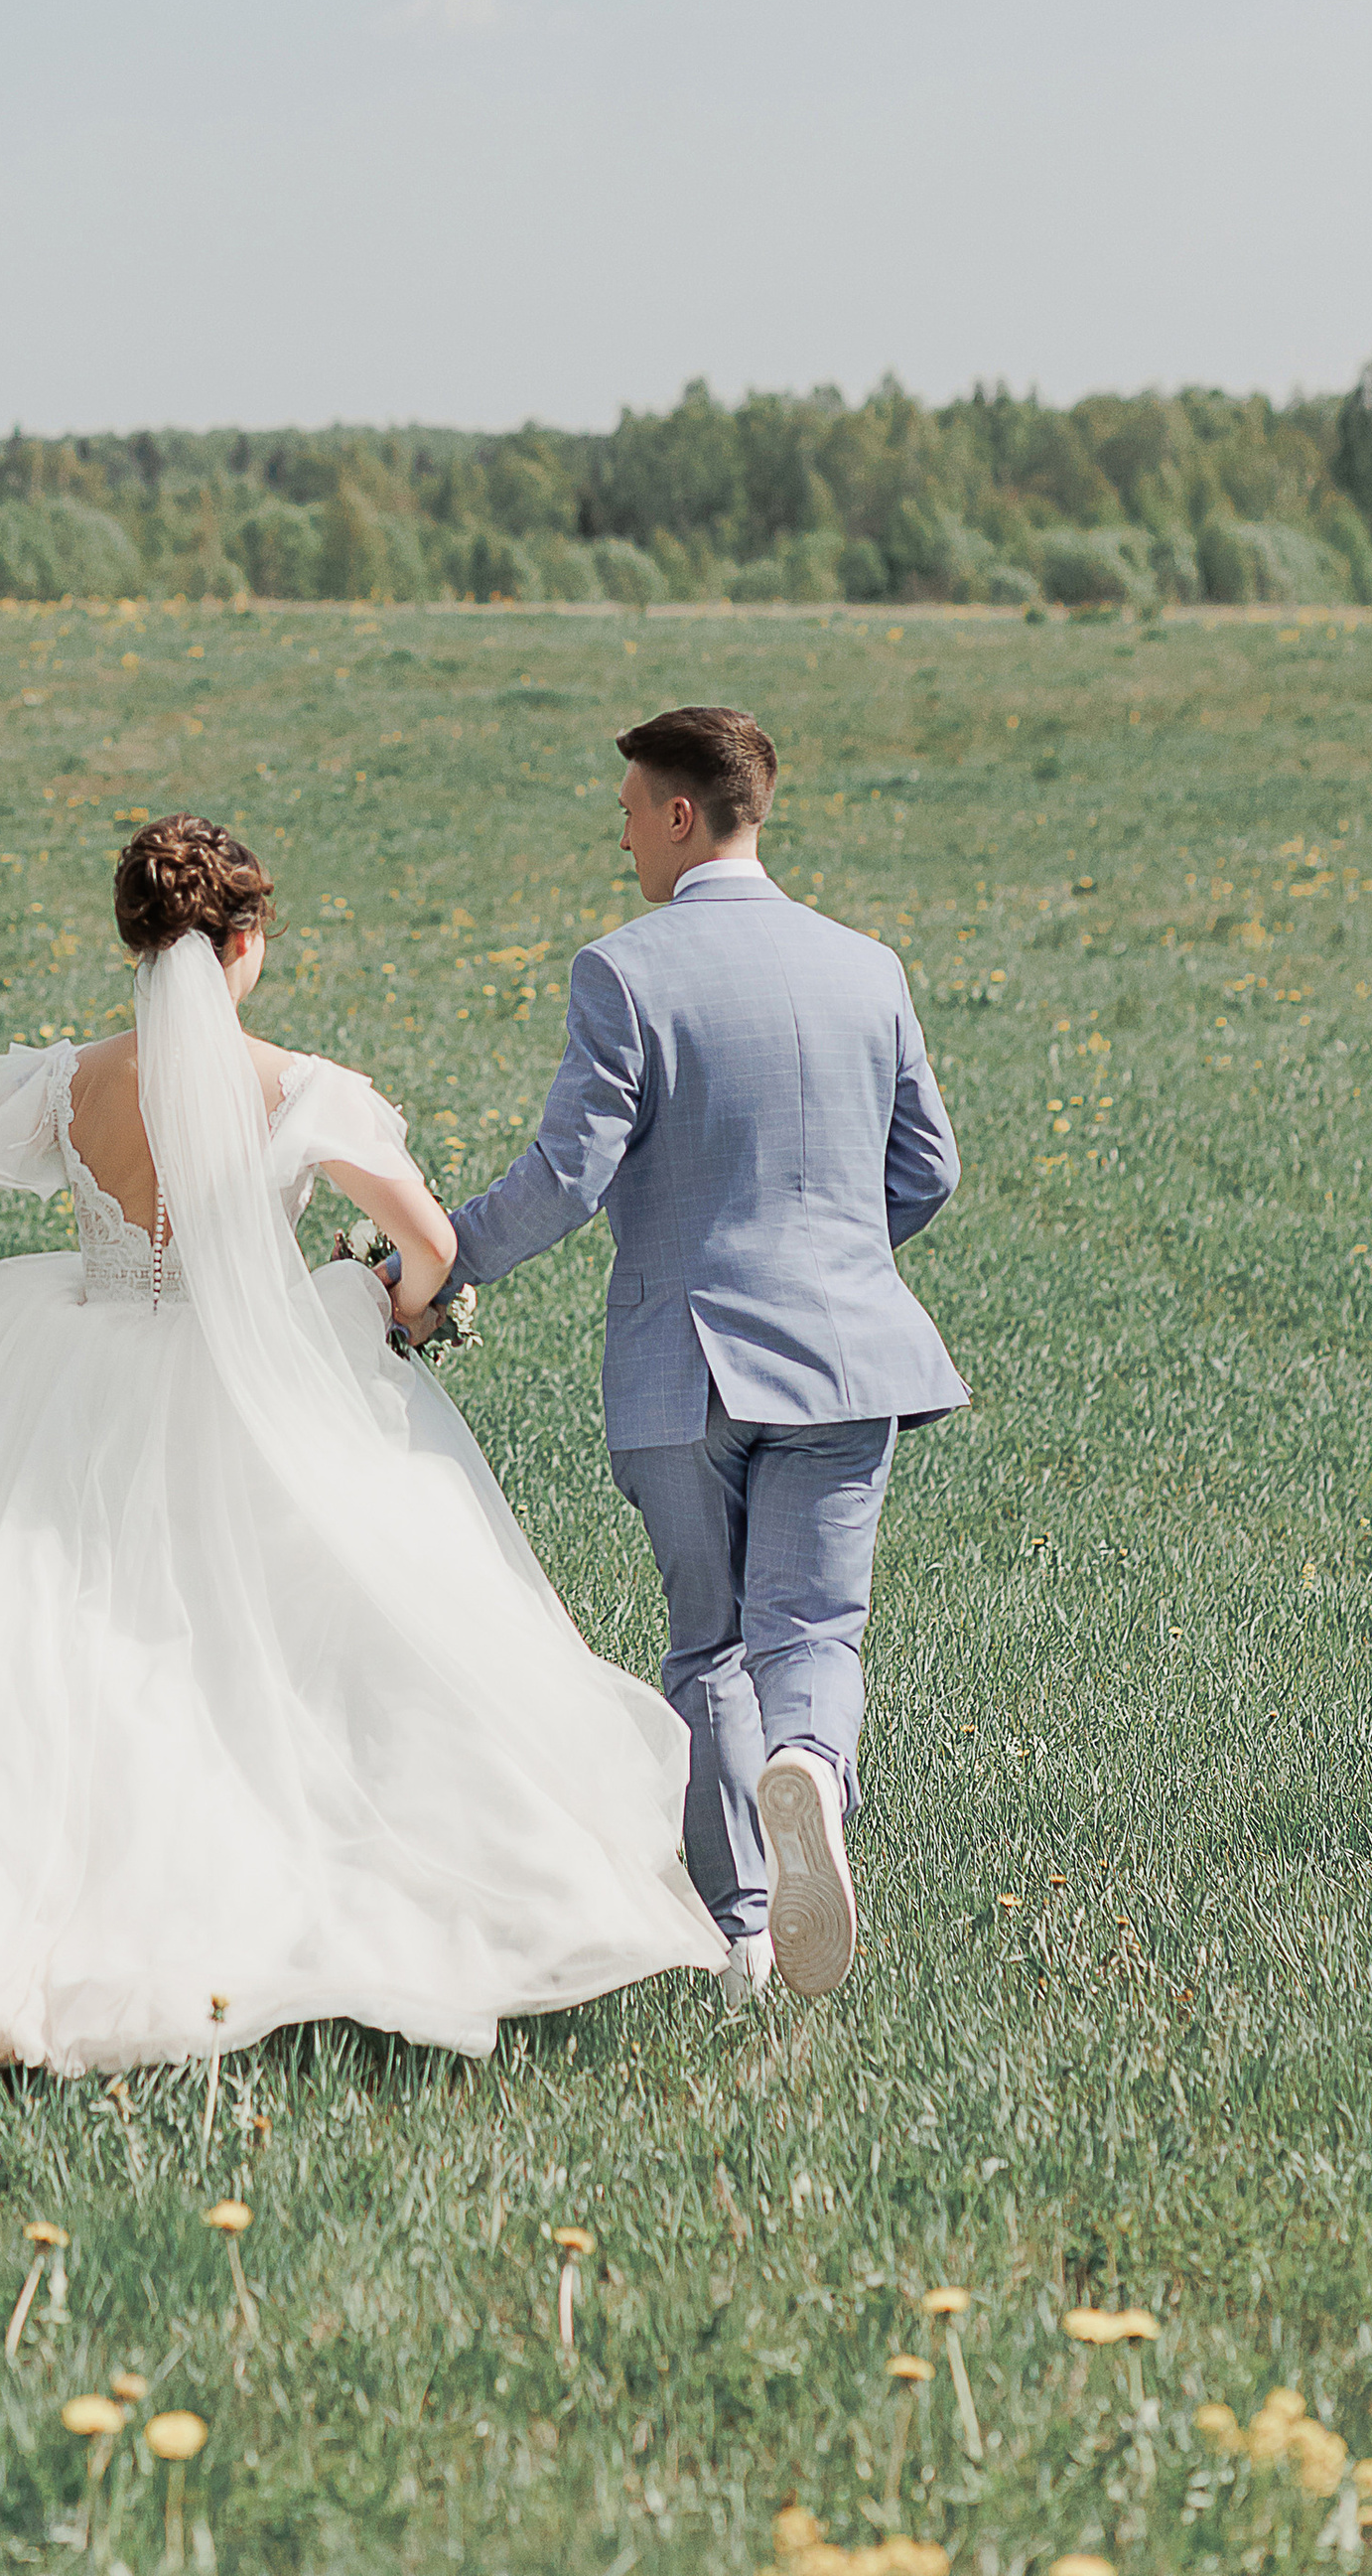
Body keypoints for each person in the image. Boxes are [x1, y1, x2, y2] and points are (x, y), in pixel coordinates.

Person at [0, 814, 724, 2075]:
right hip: (242, 1384)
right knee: (273, 1651)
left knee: (72, 1658)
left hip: (77, 1378)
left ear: (135, 942)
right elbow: (429, 1245)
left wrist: (2, 1327)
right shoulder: (302, 1089)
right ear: (245, 943)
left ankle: (42, 1924)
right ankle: (288, 1915)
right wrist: (389, 1302)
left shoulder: (64, 1083)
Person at [396, 707, 964, 2007]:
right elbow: (928, 1166)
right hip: (847, 1358)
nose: (624, 842)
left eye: (628, 814)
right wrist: (834, 1257)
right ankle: (811, 1768)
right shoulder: (865, 965)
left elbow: (565, 1179)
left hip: (688, 1364)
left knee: (709, 1646)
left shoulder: (627, 971)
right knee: (814, 1625)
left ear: (677, 813)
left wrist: (433, 1263)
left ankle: (746, 1942)